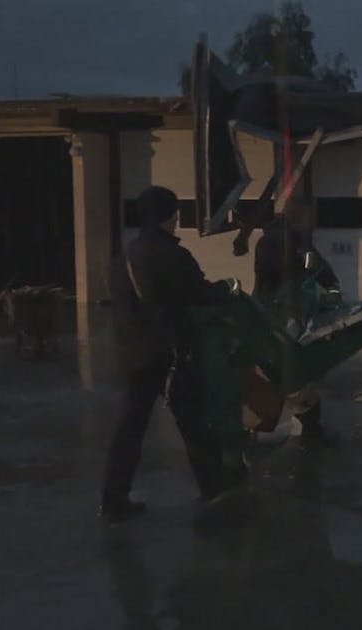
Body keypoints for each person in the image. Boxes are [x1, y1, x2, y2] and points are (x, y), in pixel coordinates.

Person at [100, 185, 242, 524]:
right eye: (176, 216)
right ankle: (214, 485)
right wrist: (227, 288)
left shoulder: (126, 256)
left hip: (134, 353)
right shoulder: (171, 255)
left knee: (130, 428)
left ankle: (114, 498)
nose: (177, 222)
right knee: (193, 421)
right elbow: (201, 293)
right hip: (171, 353)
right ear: (167, 216)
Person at [251, 203, 340, 445]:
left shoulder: (288, 240)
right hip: (281, 316)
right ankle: (302, 426)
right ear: (299, 218)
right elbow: (314, 273)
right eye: (310, 218)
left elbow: (318, 270)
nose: (314, 224)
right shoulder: (284, 242)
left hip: (277, 315)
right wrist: (332, 293)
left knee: (282, 374)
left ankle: (297, 424)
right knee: (288, 374)